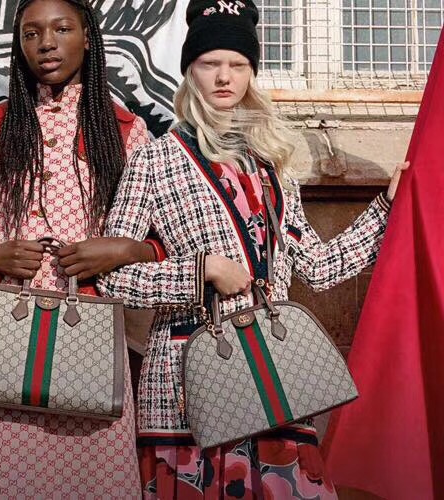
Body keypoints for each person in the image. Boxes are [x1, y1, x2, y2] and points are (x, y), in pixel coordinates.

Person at [97, 1, 409, 498]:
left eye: (238, 64)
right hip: (185, 381)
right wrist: (201, 271)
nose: (224, 77)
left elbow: (319, 268)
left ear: (252, 73)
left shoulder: (273, 167)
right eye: (210, 63)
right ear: (189, 71)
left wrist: (387, 207)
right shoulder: (153, 160)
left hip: (271, 375)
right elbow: (114, 279)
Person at [0, 0, 159, 496]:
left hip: (93, 341)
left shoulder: (127, 133)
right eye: (32, 33)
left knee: (92, 481)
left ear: (88, 37)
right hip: (0, 340)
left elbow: (160, 245)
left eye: (62, 29)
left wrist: (119, 251)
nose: (47, 43)